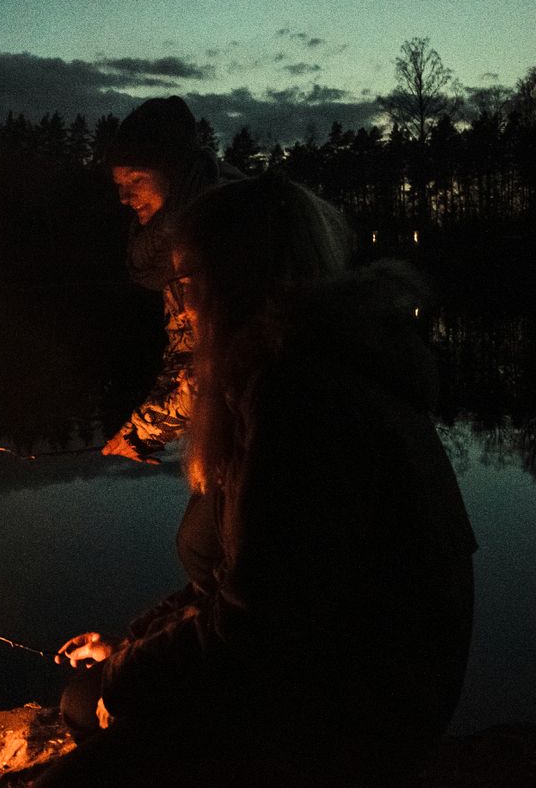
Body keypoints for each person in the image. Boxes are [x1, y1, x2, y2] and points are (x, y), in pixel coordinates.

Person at [44, 173, 477, 784]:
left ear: (234, 281)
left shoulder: (302, 400)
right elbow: (245, 587)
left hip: (366, 707)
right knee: (84, 699)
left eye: (187, 281)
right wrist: (130, 647)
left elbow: (260, 636)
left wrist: (129, 678)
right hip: (336, 668)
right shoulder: (291, 371)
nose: (181, 305)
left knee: (77, 760)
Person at [100, 96, 241, 465]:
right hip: (238, 434)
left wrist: (146, 430)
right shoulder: (178, 239)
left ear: (174, 172)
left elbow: (225, 363)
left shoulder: (227, 231)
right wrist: (138, 432)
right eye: (119, 183)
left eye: (136, 178)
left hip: (276, 433)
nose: (124, 196)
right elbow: (185, 355)